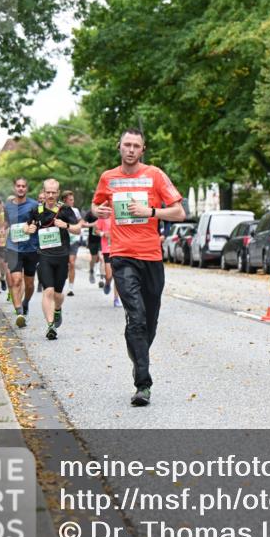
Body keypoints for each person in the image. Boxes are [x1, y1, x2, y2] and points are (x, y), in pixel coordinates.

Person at [92, 128, 184, 406]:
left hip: (152, 258)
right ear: (118, 147)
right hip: (122, 256)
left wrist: (151, 212)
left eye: (136, 146)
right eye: (126, 145)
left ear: (143, 150)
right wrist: (98, 211)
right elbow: (96, 206)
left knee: (150, 322)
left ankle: (138, 357)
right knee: (137, 317)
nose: (131, 150)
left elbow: (180, 212)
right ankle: (142, 384)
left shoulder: (155, 175)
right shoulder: (108, 178)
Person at [26, 179, 82, 340]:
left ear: (58, 193)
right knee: (48, 291)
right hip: (44, 256)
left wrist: (65, 225)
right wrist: (29, 229)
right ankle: (50, 326)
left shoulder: (65, 210)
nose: (50, 195)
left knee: (58, 294)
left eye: (53, 192)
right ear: (43, 192)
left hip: (62, 256)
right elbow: (26, 226)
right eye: (47, 192)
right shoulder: (37, 210)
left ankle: (58, 309)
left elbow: (78, 229)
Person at [3, 177, 40, 328]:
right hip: (13, 247)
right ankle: (19, 313)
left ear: (27, 189)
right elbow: (7, 224)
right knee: (16, 280)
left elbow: (39, 222)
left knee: (29, 285)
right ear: (14, 188)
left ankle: (25, 302)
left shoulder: (34, 205)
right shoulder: (8, 206)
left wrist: (33, 227)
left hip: (30, 248)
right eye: (18, 186)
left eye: (23, 186)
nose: (20, 188)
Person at [61, 191, 84, 297]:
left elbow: (81, 221)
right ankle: (62, 280)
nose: (72, 202)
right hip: (63, 241)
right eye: (70, 200)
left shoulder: (75, 210)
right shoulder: (60, 210)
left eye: (73, 199)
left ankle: (70, 288)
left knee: (72, 262)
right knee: (64, 264)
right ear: (65, 200)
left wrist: (79, 225)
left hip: (74, 240)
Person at [95, 212, 120, 307]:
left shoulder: (118, 215)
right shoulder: (103, 216)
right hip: (107, 249)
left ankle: (116, 299)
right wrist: (103, 233)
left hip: (118, 248)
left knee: (117, 275)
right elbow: (96, 230)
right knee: (109, 275)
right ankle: (108, 283)